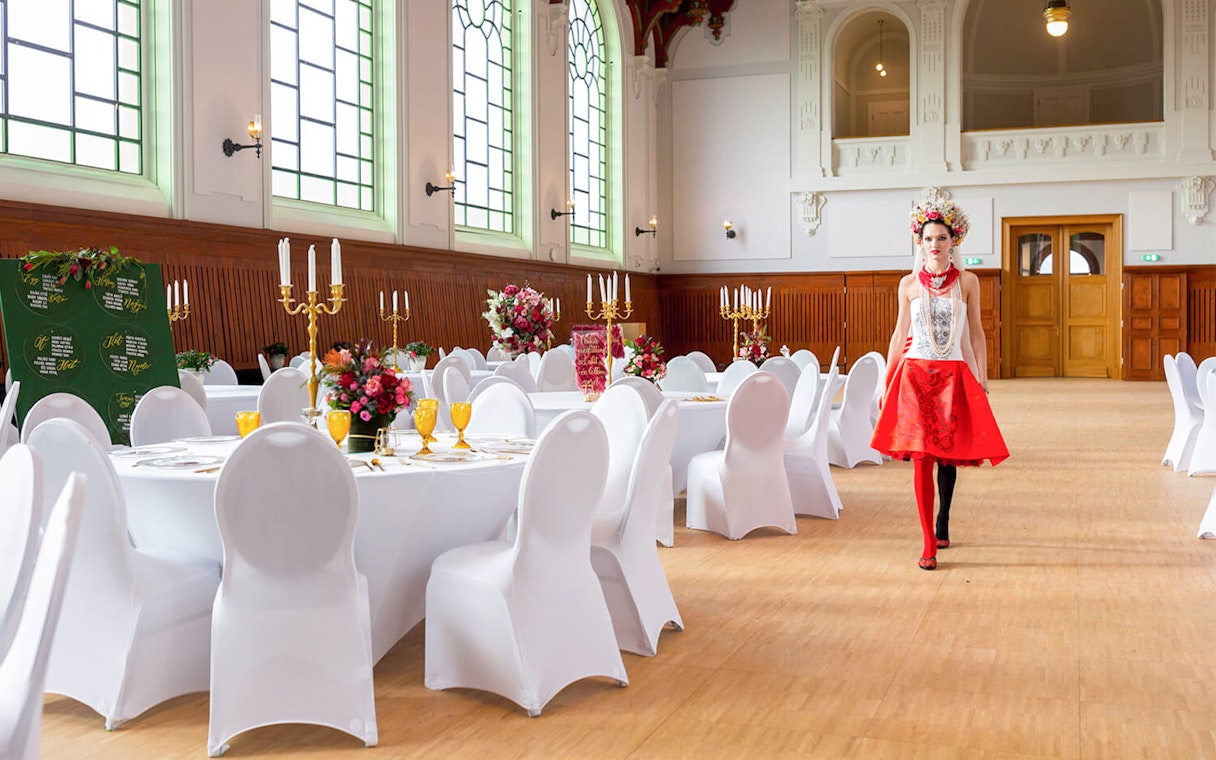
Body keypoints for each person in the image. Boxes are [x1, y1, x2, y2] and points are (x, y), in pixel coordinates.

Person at [871, 199, 1009, 570]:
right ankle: (928, 543)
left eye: (941, 238)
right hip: (915, 377)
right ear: (920, 242)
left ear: (953, 241)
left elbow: (977, 334)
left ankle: (943, 517)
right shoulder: (908, 284)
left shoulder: (968, 281)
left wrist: (981, 376)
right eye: (928, 238)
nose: (934, 244)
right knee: (921, 460)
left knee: (947, 457)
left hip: (952, 376)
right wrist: (887, 381)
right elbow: (900, 334)